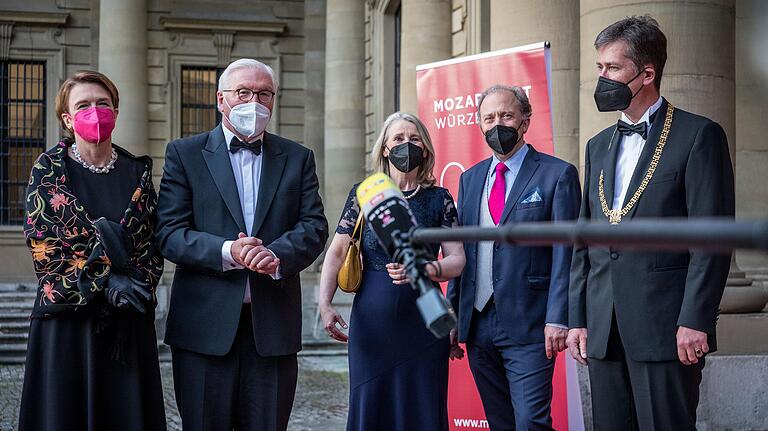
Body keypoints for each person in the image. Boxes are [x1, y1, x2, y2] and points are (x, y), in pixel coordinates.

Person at [566, 16, 735, 430]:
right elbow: (585, 238)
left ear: (646, 74)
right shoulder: (598, 145)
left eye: (612, 68)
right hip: (604, 328)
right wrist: (578, 317)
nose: (601, 78)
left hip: (666, 327)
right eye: (599, 68)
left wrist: (695, 318)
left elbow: (711, 239)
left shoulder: (699, 135)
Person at [156, 58, 328, 431]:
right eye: (244, 93)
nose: (255, 101)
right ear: (221, 100)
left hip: (273, 329)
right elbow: (168, 232)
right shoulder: (184, 154)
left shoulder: (298, 157)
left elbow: (314, 226)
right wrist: (228, 251)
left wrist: (276, 255)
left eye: (265, 93)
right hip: (204, 329)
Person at [18, 70, 166, 431]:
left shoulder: (137, 172)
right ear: (67, 118)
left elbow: (152, 243)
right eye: (83, 105)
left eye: (103, 103)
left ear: (115, 110)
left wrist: (128, 285)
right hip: (67, 323)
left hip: (126, 320)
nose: (94, 111)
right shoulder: (48, 170)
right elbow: (45, 244)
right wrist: (108, 277)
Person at [318, 111, 466, 431]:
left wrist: (427, 267)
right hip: (372, 324)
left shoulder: (440, 199)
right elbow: (337, 251)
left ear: (425, 148)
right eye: (397, 139)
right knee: (371, 405)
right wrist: (325, 304)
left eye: (414, 139)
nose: (406, 145)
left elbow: (457, 260)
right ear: (384, 149)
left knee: (423, 406)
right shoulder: (365, 192)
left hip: (425, 322)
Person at [447, 85, 581, 430]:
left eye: (506, 115)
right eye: (488, 118)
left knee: (531, 422)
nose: (497, 125)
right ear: (478, 124)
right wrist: (453, 314)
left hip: (531, 323)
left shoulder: (557, 174)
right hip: (478, 324)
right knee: (499, 421)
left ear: (525, 120)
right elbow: (461, 249)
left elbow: (567, 252)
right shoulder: (470, 178)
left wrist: (559, 317)